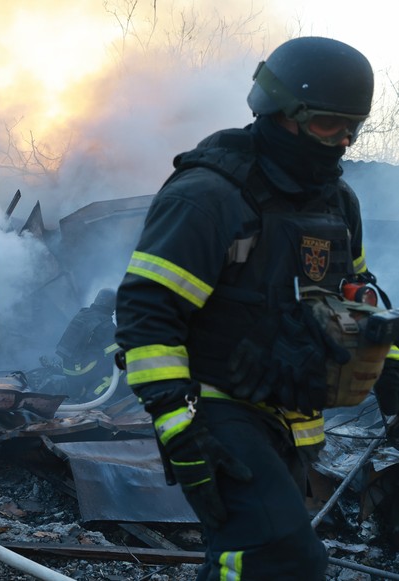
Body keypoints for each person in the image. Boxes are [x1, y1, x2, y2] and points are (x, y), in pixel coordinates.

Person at [115, 36, 399, 579]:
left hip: (294, 416)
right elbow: (146, 314)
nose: (342, 142)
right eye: (327, 125)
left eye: (352, 127)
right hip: (215, 408)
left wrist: (393, 381)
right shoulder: (208, 196)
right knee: (279, 559)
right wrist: (181, 427)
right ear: (281, 112)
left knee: (252, 557)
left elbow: (358, 296)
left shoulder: (338, 203)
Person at [54, 288, 120, 401]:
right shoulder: (107, 326)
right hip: (83, 370)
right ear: (113, 305)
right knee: (120, 368)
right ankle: (93, 395)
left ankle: (79, 390)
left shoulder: (83, 313)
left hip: (67, 368)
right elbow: (115, 355)